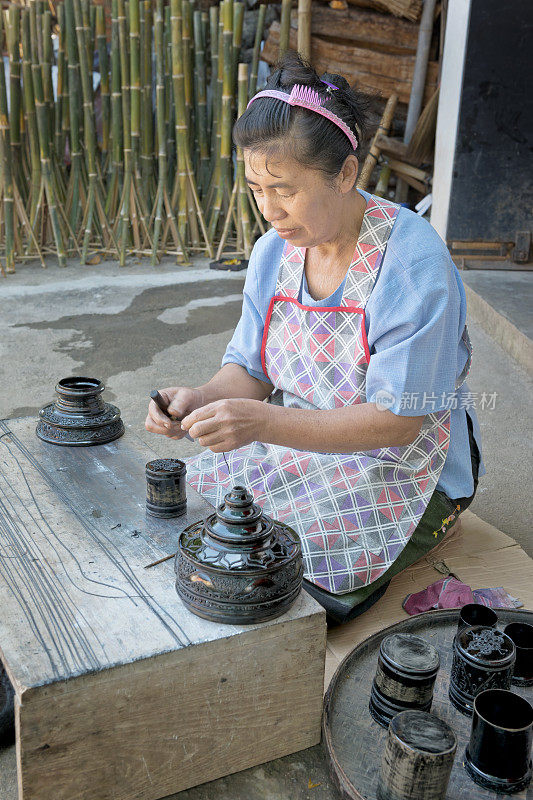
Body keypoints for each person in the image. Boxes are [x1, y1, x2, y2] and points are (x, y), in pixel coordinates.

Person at [145, 52, 483, 623]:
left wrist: (262, 424)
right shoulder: (274, 252)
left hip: (402, 464)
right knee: (208, 517)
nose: (269, 210)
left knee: (289, 580)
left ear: (346, 174)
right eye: (256, 188)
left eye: (285, 189)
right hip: (301, 439)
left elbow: (399, 421)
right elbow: (250, 371)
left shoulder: (411, 262)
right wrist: (200, 399)